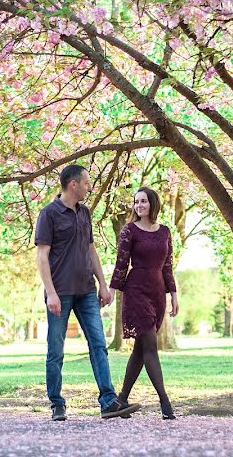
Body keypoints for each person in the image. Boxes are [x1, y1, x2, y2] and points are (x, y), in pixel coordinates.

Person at [35, 164, 142, 421]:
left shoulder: (84, 213)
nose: (89, 187)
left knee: (98, 345)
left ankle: (108, 402)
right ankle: (57, 404)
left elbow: (91, 250)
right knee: (55, 350)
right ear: (73, 184)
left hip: (86, 291)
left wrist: (103, 285)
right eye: (86, 182)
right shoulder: (48, 214)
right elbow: (42, 256)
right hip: (60, 292)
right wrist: (50, 293)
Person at [109, 187, 179, 419]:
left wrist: (174, 295)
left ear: (153, 204)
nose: (138, 206)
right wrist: (110, 290)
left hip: (157, 293)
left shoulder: (165, 232)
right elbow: (121, 262)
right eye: (136, 202)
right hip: (136, 290)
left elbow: (167, 266)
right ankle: (165, 402)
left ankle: (121, 400)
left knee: (140, 349)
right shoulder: (130, 230)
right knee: (150, 345)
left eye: (143, 202)